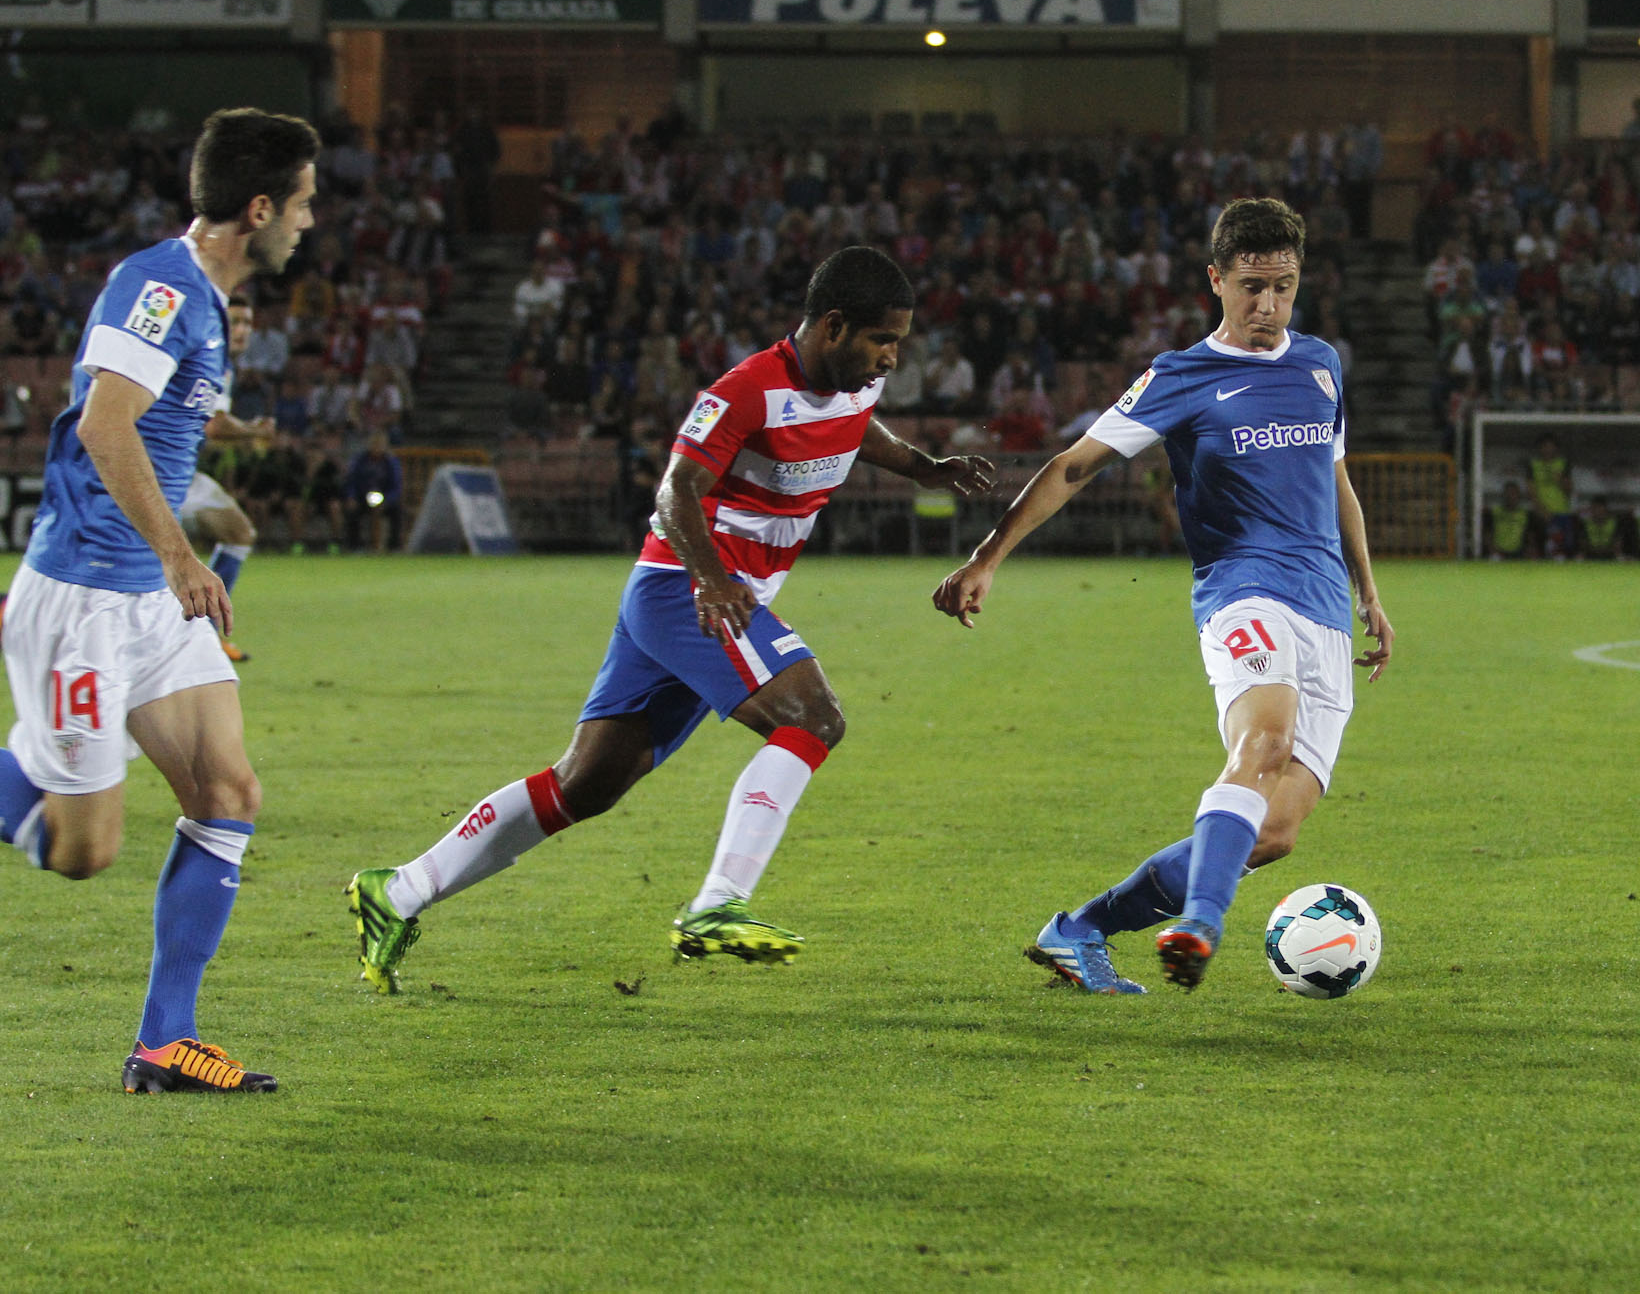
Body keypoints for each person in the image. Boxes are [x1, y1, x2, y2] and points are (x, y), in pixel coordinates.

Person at [346, 248, 996, 993]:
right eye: (883, 339)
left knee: (583, 785)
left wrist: (926, 467)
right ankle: (717, 903)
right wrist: (711, 579)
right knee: (814, 717)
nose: (890, 357)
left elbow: (856, 428)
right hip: (685, 591)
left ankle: (396, 889)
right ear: (834, 325)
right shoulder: (745, 389)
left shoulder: (851, 387)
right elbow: (674, 490)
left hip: (704, 598)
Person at [933, 198, 1392, 994]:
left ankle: (1081, 929)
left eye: (1282, 286)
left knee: (1274, 829)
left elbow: (1336, 479)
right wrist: (989, 553)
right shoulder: (1182, 377)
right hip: (1243, 590)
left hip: (1322, 603)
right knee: (1262, 746)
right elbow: (1076, 464)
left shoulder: (1321, 364)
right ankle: (1201, 924)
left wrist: (1369, 592)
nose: (1267, 305)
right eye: (1251, 286)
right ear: (1216, 280)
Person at [0, 108, 318, 1093]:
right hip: (91, 599)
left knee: (227, 795)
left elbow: (166, 408)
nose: (307, 222)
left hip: (147, 603)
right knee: (82, 852)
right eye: (301, 204)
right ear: (257, 207)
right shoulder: (158, 284)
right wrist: (185, 560)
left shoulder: (208, 301)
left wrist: (232, 431)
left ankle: (162, 1043)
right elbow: (105, 424)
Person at [177, 295, 271, 663]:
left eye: (248, 322)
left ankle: (206, 633)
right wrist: (254, 432)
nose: (243, 330)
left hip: (183, 471)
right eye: (236, 321)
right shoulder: (207, 357)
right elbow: (215, 427)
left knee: (239, 533)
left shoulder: (221, 364)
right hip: (157, 473)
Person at [341, 431, 404, 552]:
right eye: (374, 444)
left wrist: (386, 500)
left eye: (380, 444)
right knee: (352, 510)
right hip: (362, 497)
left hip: (385, 497)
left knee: (397, 511)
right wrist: (351, 497)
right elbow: (351, 481)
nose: (377, 447)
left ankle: (394, 546)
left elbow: (396, 487)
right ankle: (355, 545)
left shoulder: (391, 462)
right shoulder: (359, 461)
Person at [1528, 433, 1575, 558]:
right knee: (1543, 549)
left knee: (1562, 551)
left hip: (1562, 512)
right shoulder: (1533, 465)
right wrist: (1541, 511)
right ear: (1539, 448)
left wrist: (1559, 480)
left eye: (1551, 446)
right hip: (1542, 514)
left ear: (1556, 448)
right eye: (1544, 446)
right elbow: (1531, 492)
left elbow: (1569, 490)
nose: (1548, 450)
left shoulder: (1563, 463)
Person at [1487, 480, 1533, 559]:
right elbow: (1488, 533)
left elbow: (1530, 536)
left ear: (1518, 496)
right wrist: (1493, 550)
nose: (1510, 497)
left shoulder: (1525, 514)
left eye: (1513, 494)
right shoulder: (1495, 512)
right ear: (1503, 495)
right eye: (1507, 493)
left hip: (1519, 553)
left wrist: (1528, 551)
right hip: (1498, 552)